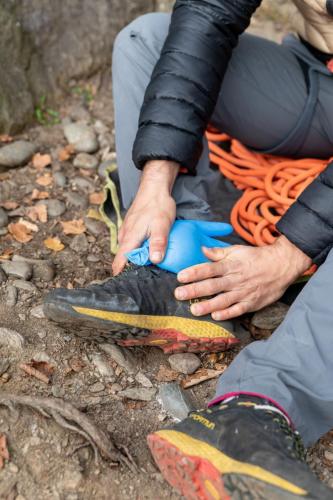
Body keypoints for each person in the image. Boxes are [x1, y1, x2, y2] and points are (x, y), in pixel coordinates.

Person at [44, 1, 333, 497]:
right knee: (148, 39)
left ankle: (259, 409)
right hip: (316, 83)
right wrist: (157, 177)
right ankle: (176, 270)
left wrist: (289, 253)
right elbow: (208, 13)